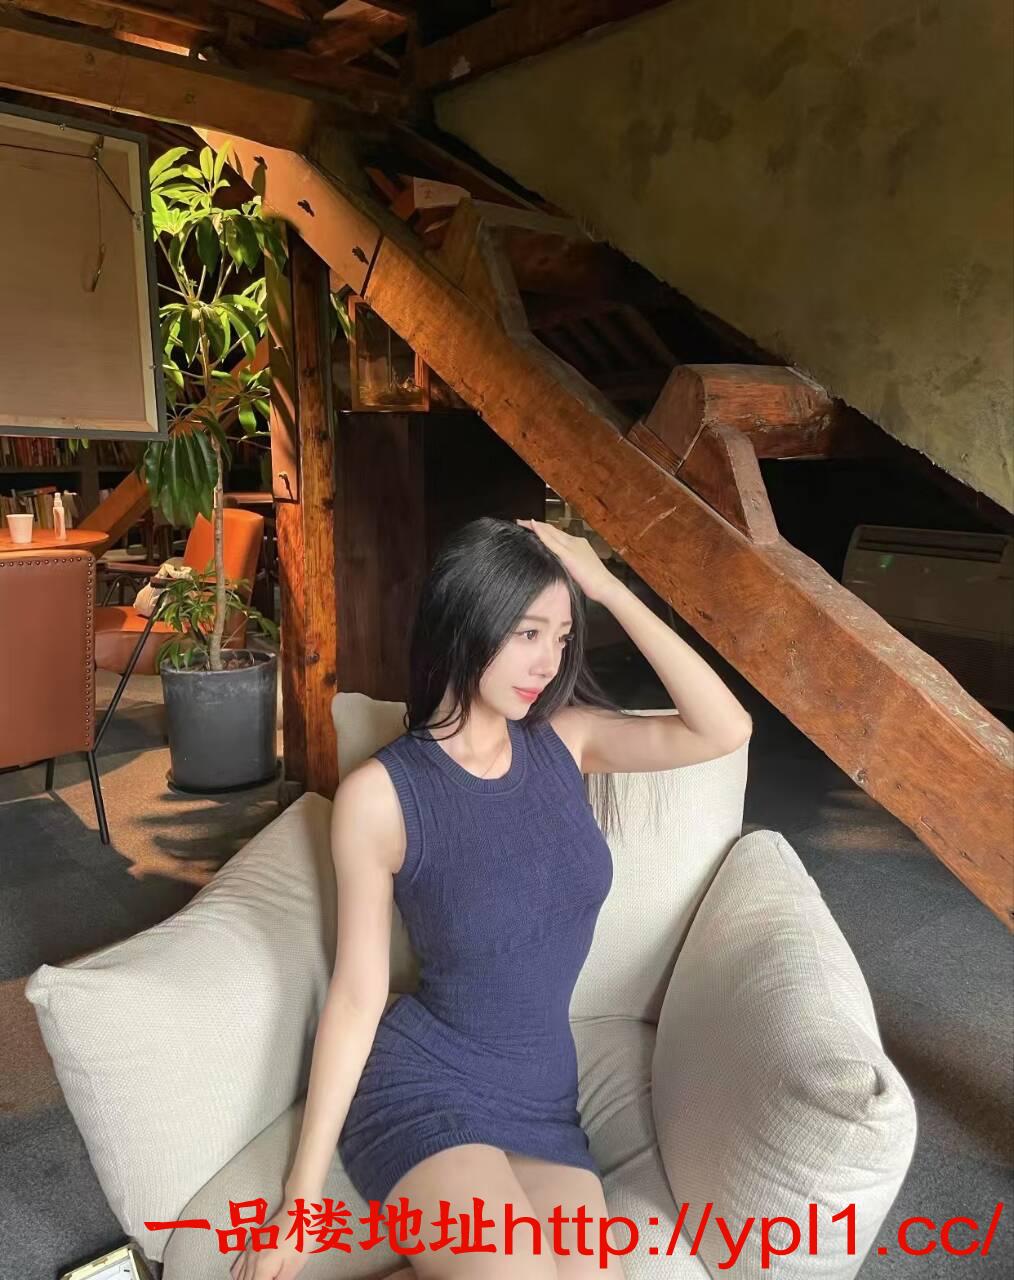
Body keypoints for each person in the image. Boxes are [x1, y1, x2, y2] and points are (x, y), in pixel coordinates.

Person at [231, 516, 753, 1280]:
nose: (548, 662)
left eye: (562, 637)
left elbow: (725, 729)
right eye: (527, 632)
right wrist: (301, 1200)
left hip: (543, 1097)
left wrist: (607, 588)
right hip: (425, 1085)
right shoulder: (382, 797)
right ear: (465, 621)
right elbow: (356, 994)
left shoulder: (567, 741)